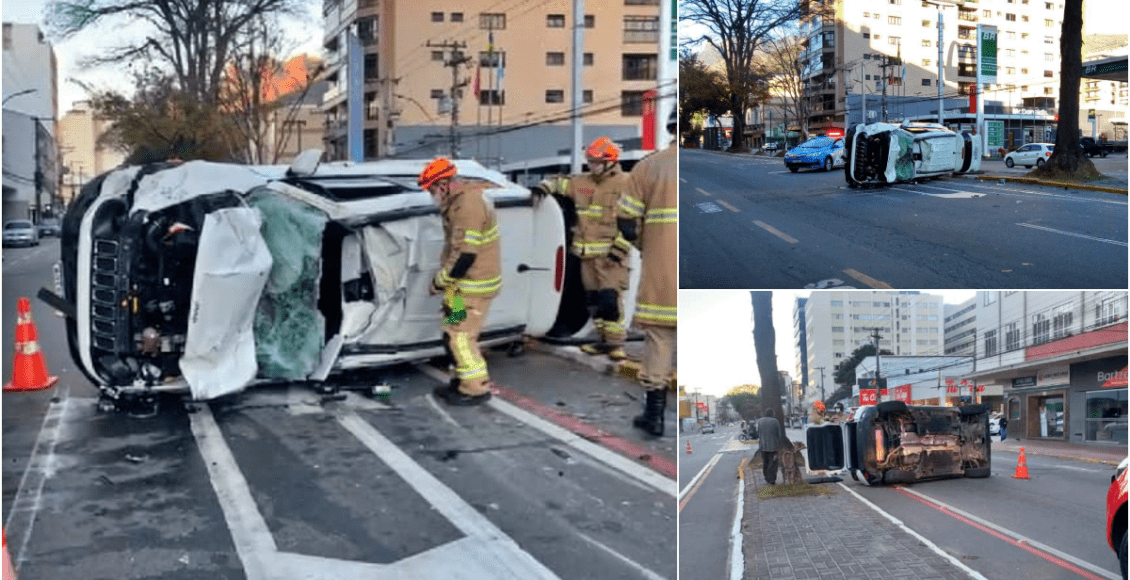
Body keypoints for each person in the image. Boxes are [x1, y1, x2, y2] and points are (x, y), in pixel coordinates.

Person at [419, 157, 501, 406]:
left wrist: (440, 281)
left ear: (443, 184)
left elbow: (466, 254)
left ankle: (475, 388)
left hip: (472, 286)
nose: (432, 195)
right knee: (451, 331)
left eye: (432, 189)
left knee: (461, 338)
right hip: (458, 288)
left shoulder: (468, 205)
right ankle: (460, 380)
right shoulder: (456, 202)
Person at [542, 137, 633, 360]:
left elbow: (632, 222)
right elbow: (560, 184)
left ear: (610, 162)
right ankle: (603, 341)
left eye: (596, 162)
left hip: (611, 257)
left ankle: (615, 344)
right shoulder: (581, 182)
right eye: (590, 161)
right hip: (587, 257)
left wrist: (618, 251)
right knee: (594, 302)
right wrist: (543, 187)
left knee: (609, 300)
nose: (591, 166)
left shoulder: (626, 184)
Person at [619, 112, 677, 436]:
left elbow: (625, 221)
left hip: (656, 272)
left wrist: (646, 247)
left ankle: (654, 416)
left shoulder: (646, 167)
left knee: (658, 342)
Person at [756, 408, 783, 485]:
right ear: (772, 413)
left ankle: (766, 477)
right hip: (773, 447)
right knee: (773, 463)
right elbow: (779, 434)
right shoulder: (775, 421)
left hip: (763, 446)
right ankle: (772, 479)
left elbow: (759, 432)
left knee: (765, 462)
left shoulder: (760, 421)